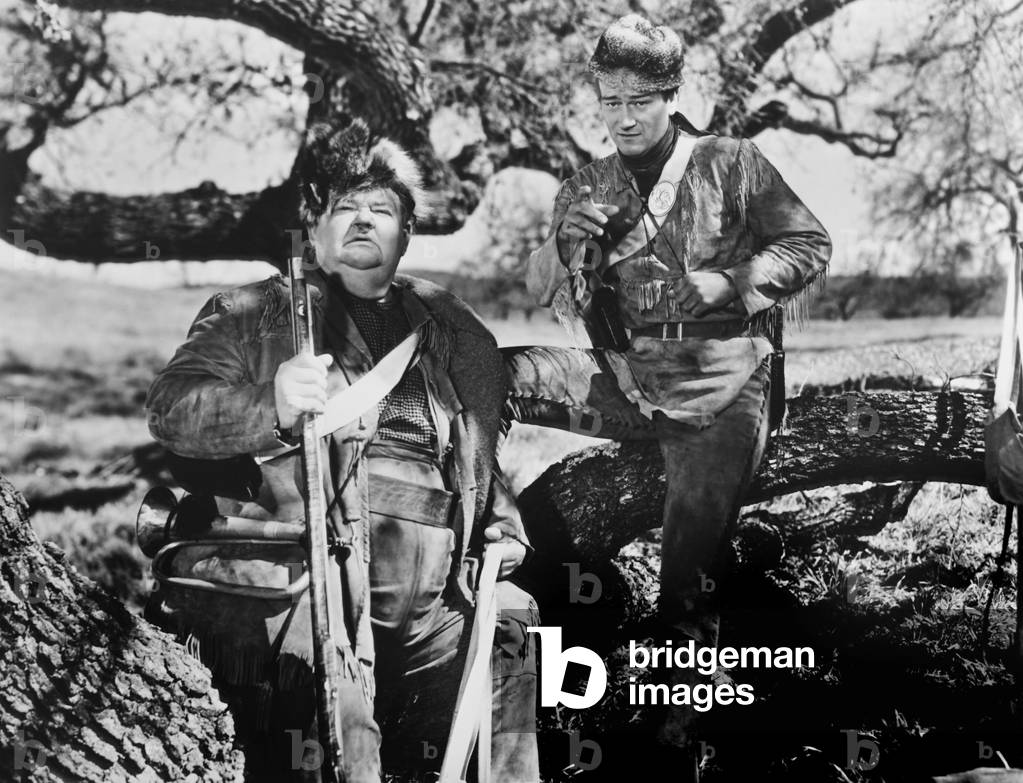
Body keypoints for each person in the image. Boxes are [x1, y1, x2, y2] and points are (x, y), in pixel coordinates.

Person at [144, 119, 539, 782]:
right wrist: (270, 402)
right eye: (345, 207)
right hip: (317, 580)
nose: (362, 221)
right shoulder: (255, 312)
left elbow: (468, 447)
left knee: (514, 624)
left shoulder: (438, 333)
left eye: (380, 209)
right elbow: (170, 408)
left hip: (435, 604)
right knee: (343, 739)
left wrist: (500, 519)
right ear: (317, 225)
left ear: (406, 232)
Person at [515, 12, 831, 771]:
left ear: (671, 95)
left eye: (640, 101)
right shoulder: (586, 184)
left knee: (686, 573)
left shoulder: (731, 162)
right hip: (625, 378)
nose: (624, 118)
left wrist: (732, 281)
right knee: (501, 373)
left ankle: (678, 740)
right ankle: (486, 534)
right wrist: (562, 244)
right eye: (610, 102)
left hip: (723, 382)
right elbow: (536, 285)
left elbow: (809, 243)